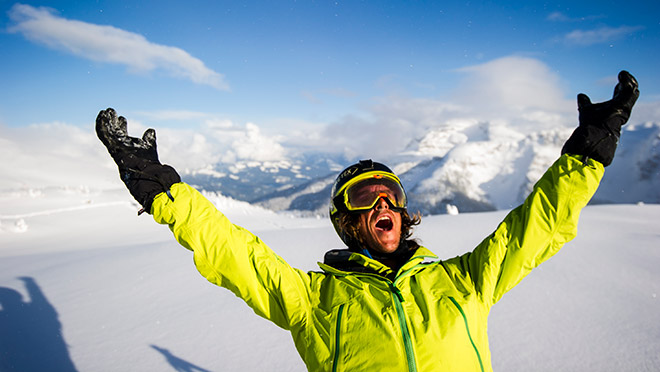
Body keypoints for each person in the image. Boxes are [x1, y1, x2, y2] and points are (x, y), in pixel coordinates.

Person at [96, 71, 639, 372]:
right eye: (364, 196)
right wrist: (164, 191)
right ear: (345, 222)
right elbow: (237, 254)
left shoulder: (465, 281)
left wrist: (586, 155)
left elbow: (537, 227)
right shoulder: (315, 302)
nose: (381, 204)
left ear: (403, 211)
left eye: (390, 194)